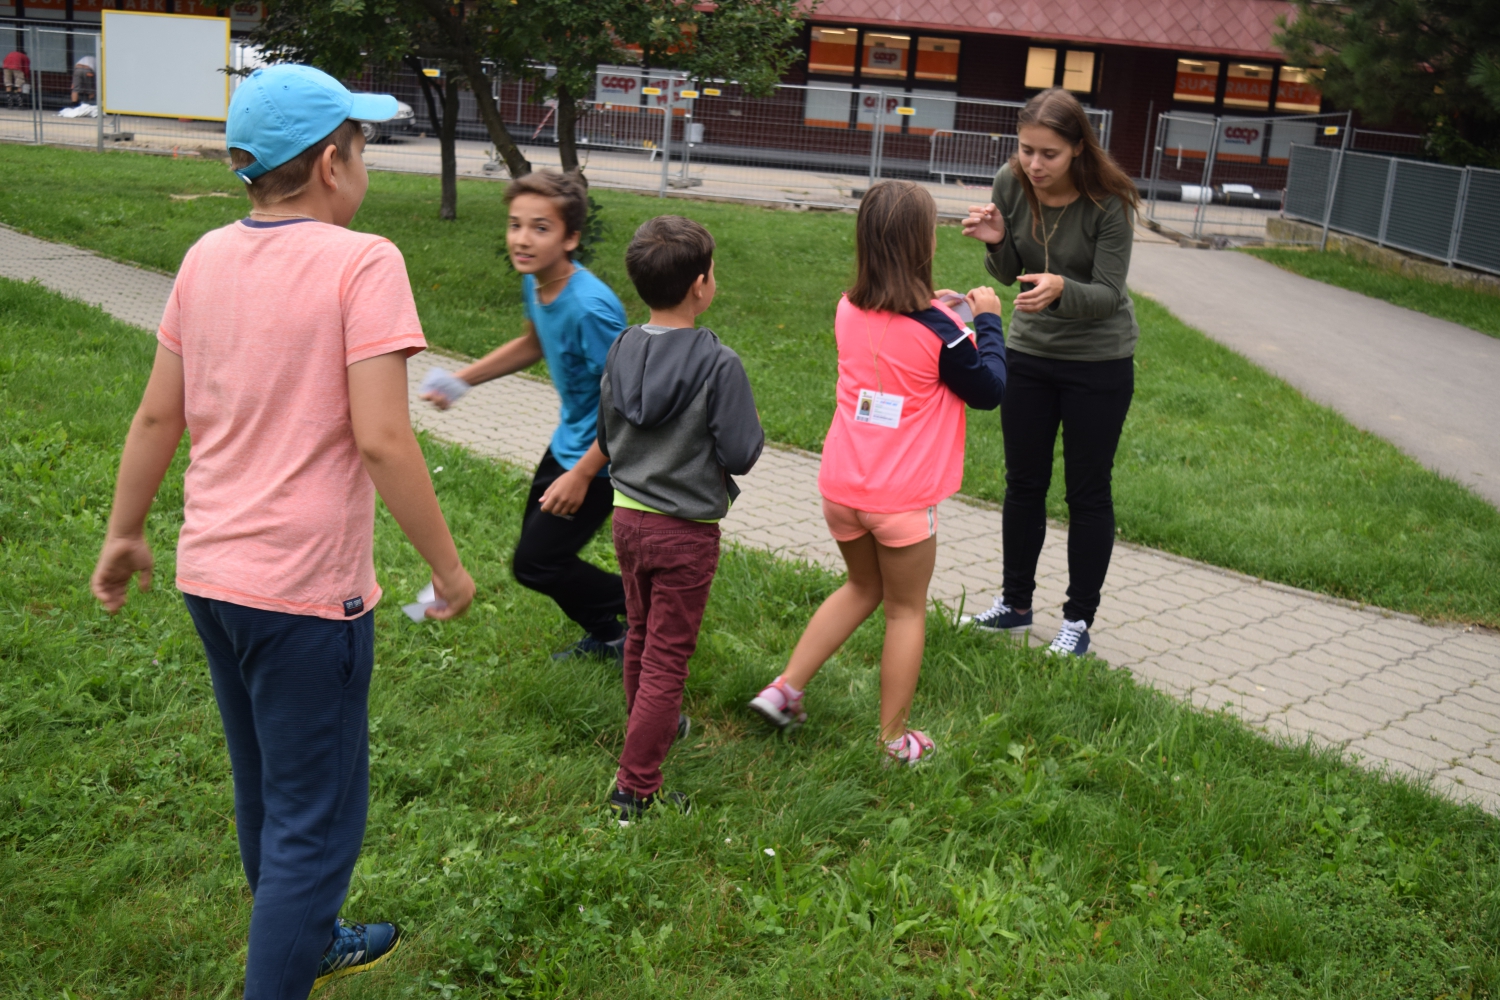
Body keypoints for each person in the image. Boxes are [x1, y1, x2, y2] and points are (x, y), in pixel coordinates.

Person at [89, 64, 475, 999]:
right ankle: (294, 951)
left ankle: (314, 937)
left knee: (266, 785)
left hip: (211, 578)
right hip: (305, 595)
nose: (365, 165)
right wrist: (448, 568)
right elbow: (383, 438)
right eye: (363, 147)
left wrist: (124, 531)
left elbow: (157, 415)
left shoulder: (205, 257)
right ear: (333, 163)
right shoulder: (364, 262)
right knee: (315, 822)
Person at [747, 181, 1006, 764]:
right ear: (922, 243)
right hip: (902, 501)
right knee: (905, 610)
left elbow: (898, 333)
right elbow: (988, 389)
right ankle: (894, 740)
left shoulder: (848, 307)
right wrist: (988, 321)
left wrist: (938, 306)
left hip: (842, 488)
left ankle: (784, 688)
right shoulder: (944, 332)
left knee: (861, 586)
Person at [957, 88, 1142, 658]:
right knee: (1023, 483)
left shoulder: (1110, 202)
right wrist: (997, 242)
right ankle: (1015, 606)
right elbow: (1011, 272)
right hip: (1030, 355)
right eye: (1026, 149)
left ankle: (1078, 621)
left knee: (1087, 492)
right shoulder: (1010, 182)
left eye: (1049, 154)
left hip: (1099, 362)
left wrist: (1062, 288)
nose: (1034, 164)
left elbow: (1108, 294)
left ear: (1078, 148)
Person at [420, 171, 630, 663]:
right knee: (542, 557)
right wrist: (461, 381)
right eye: (515, 225)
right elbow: (533, 343)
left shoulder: (591, 309)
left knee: (537, 563)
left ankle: (650, 604)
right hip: (569, 442)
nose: (522, 239)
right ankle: (611, 636)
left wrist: (584, 474)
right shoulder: (538, 282)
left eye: (540, 228)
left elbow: (629, 406)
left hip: (603, 456)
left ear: (570, 238)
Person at [599, 215, 764, 822]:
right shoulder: (719, 363)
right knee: (667, 657)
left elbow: (605, 436)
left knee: (641, 636)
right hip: (685, 532)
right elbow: (741, 452)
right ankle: (635, 790)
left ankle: (650, 729)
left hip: (626, 520)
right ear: (701, 285)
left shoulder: (620, 346)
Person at [3, 46, 30, 110]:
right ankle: (20, 105)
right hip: (17, 67)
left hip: (6, 67)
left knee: (8, 84)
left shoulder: (10, 53)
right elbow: (26, 68)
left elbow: (4, 61)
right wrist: (26, 77)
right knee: (19, 84)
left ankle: (10, 105)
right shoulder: (25, 57)